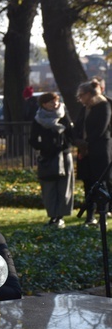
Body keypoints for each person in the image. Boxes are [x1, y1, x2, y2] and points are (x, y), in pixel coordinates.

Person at [29, 92, 74, 228]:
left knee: (64, 187)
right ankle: (52, 216)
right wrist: (45, 147)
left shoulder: (63, 115)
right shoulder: (38, 119)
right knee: (49, 188)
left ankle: (61, 216)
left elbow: (71, 134)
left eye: (56, 101)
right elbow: (33, 139)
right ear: (44, 104)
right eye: (51, 102)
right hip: (47, 157)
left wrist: (64, 145)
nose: (54, 104)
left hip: (64, 155)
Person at [73, 79, 112, 226]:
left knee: (100, 183)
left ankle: (102, 212)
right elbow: (78, 126)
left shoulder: (103, 106)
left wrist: (87, 142)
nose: (80, 98)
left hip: (99, 150)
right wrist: (77, 140)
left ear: (89, 94)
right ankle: (90, 215)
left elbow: (101, 130)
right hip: (85, 151)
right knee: (87, 183)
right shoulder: (85, 108)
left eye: (81, 95)